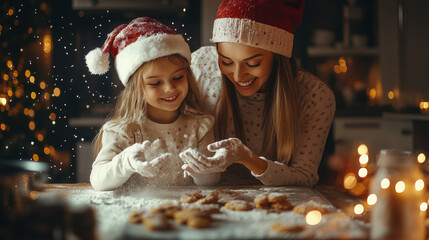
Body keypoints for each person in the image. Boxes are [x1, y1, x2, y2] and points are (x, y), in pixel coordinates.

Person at [180, 0, 336, 186]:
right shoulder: (200, 67)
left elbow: (304, 176)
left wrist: (246, 157)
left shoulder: (315, 96)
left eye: (253, 63)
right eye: (226, 62)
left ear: (278, 56)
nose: (238, 76)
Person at [85, 17, 220, 191]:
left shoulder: (200, 126)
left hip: (182, 212)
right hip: (136, 216)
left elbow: (211, 181)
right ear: (136, 89)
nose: (170, 88)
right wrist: (126, 162)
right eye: (155, 83)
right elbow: (98, 180)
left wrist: (200, 168)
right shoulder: (126, 131)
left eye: (177, 77)